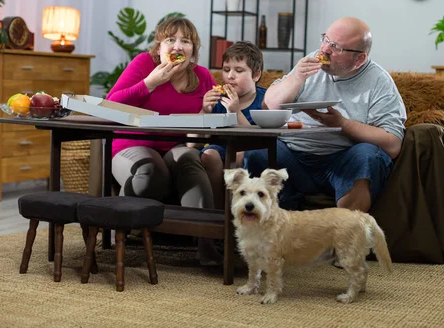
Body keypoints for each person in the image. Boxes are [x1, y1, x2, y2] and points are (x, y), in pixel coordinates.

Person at [245, 17, 407, 212]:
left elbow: (393, 143)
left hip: (341, 160)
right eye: (326, 39)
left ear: (360, 59)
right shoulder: (313, 60)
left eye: (336, 47)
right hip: (293, 156)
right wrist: (297, 77)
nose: (325, 50)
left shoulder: (379, 81)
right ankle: (276, 233)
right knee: (256, 153)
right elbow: (269, 105)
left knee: (367, 155)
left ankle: (345, 234)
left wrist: (343, 124)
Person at [106, 16, 220, 264]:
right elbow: (110, 104)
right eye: (171, 40)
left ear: (193, 51)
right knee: (150, 170)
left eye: (185, 41)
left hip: (176, 147)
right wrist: (150, 83)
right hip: (131, 143)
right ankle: (121, 236)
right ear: (159, 48)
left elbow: (196, 141)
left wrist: (206, 113)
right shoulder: (143, 64)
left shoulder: (203, 77)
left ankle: (206, 245)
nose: (178, 46)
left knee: (190, 158)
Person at [200, 41, 267, 208]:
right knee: (209, 154)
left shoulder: (265, 100)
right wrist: (205, 111)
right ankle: (217, 208)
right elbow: (192, 141)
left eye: (239, 70)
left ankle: (236, 207)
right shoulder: (217, 99)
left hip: (249, 150)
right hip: (220, 147)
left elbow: (260, 137)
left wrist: (236, 112)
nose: (230, 76)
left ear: (256, 75)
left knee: (240, 154)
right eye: (226, 69)